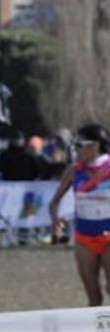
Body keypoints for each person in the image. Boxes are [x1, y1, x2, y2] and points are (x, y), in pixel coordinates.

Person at [50, 123, 110, 306]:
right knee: (94, 298)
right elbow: (54, 202)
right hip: (84, 239)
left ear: (95, 145)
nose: (75, 150)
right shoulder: (74, 172)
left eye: (79, 145)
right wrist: (55, 219)